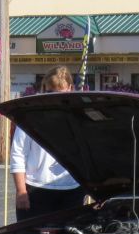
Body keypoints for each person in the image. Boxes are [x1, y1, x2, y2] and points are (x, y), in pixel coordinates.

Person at [10, 65, 85, 221]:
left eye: (60, 93)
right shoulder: (29, 114)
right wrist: (21, 191)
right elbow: (18, 153)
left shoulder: (79, 115)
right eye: (51, 92)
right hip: (36, 189)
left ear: (70, 89)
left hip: (72, 189)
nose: (55, 98)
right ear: (44, 89)